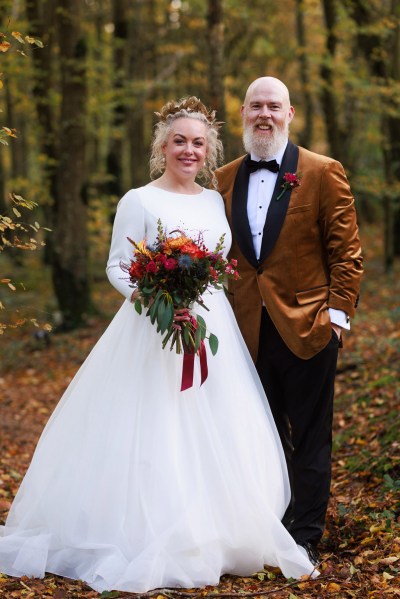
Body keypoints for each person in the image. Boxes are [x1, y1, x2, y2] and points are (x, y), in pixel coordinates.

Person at [0, 96, 317, 594]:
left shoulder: (215, 201)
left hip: (213, 332)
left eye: (197, 143)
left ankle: (219, 530)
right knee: (154, 425)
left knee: (217, 424)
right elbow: (117, 266)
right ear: (162, 147)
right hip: (154, 326)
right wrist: (156, 297)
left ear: (208, 150)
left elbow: (222, 265)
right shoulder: (138, 200)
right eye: (179, 142)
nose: (188, 151)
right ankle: (149, 529)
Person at [215, 77, 363, 566]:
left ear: (290, 113)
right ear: (242, 112)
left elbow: (346, 253)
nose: (264, 114)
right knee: (258, 436)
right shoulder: (222, 178)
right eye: (255, 105)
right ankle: (267, 529)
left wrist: (337, 318)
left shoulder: (322, 172)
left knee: (310, 437)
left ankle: (305, 536)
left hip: (309, 327)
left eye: (273, 106)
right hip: (244, 333)